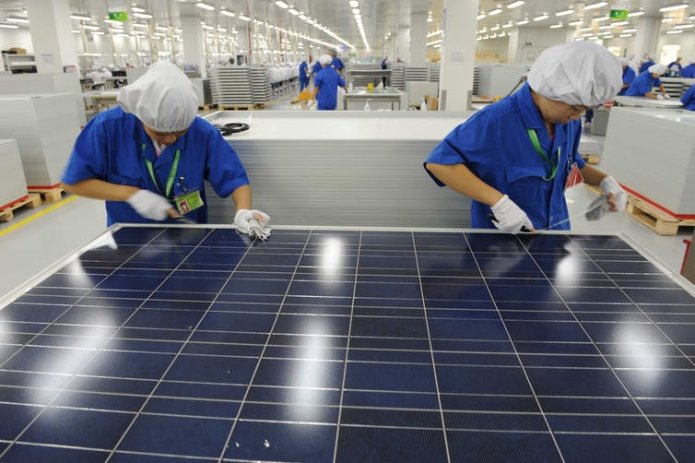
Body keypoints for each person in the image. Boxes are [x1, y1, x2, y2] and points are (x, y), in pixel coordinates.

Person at [423, 42, 627, 232]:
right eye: (574, 107)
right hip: (503, 245)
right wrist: (499, 203)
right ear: (550, 89)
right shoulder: (497, 120)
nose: (577, 116)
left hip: (554, 234)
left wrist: (604, 182)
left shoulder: (569, 123)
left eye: (584, 109)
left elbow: (571, 162)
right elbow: (440, 163)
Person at [62, 61, 271, 239]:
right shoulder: (107, 129)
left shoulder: (202, 133)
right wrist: (130, 194)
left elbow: (235, 179)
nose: (171, 139)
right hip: (129, 242)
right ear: (141, 115)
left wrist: (243, 211)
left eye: (180, 132)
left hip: (190, 240)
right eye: (160, 133)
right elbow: (75, 182)